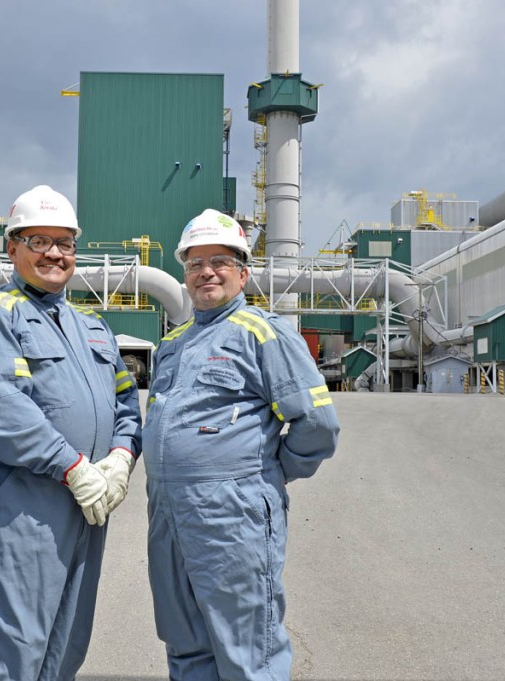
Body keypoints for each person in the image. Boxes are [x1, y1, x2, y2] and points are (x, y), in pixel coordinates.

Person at [142, 208, 340, 680]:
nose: (206, 272)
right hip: (168, 511)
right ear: (184, 273)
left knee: (248, 646)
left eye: (220, 262)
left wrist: (264, 471)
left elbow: (318, 424)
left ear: (243, 272)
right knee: (184, 638)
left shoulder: (264, 334)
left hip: (232, 512)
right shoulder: (174, 343)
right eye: (195, 263)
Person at [0, 184, 142, 681]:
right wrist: (74, 467)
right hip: (25, 505)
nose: (54, 253)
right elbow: (4, 409)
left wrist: (121, 458)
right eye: (39, 241)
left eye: (65, 243)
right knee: (5, 647)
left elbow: (127, 402)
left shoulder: (94, 326)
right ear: (12, 247)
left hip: (89, 504)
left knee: (67, 643)